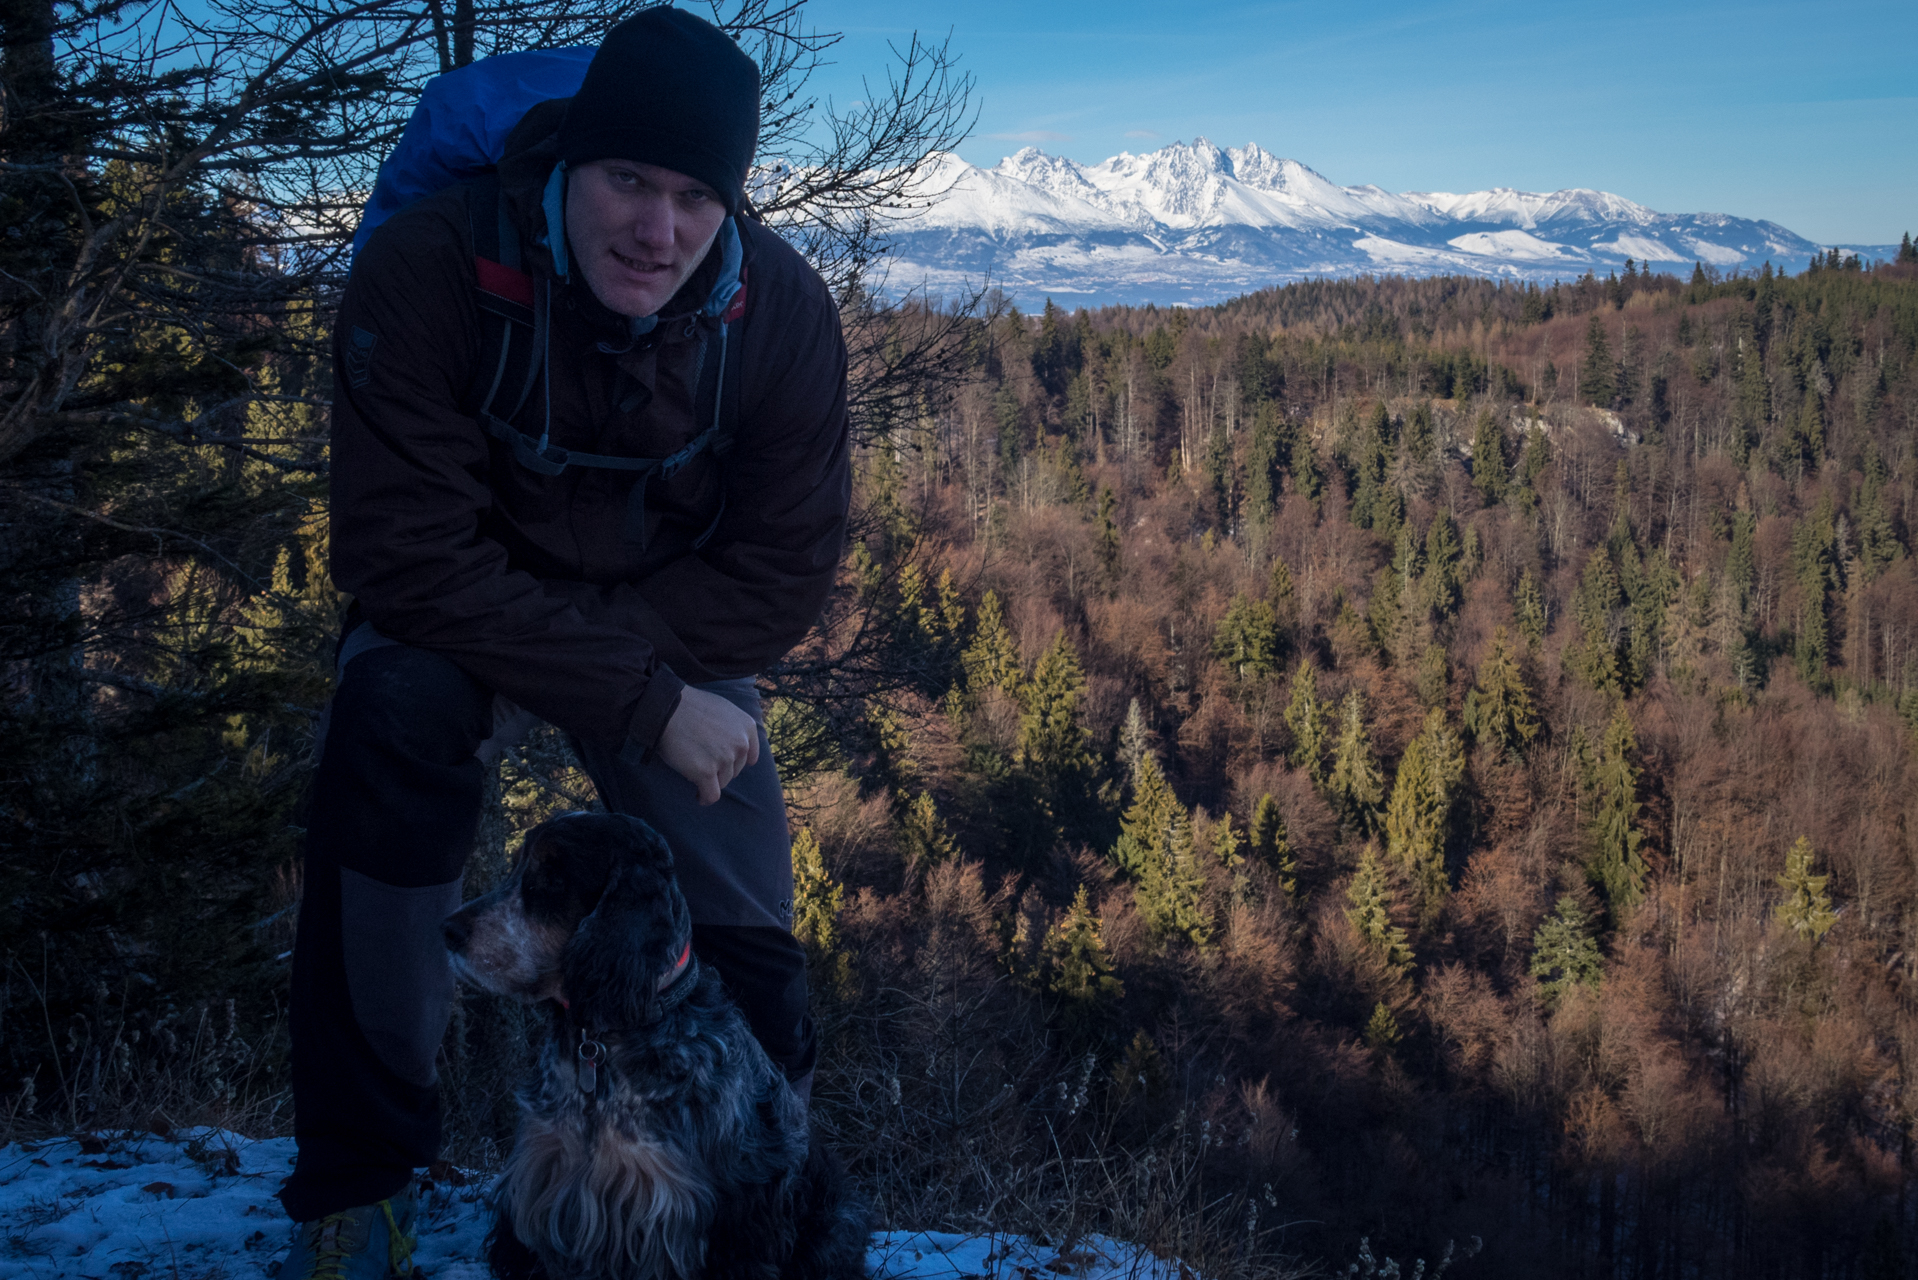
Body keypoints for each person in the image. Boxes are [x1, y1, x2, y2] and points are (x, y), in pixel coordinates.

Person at [278, 10, 850, 1277]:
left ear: (733, 206)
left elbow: (777, 573)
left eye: (696, 194)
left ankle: (762, 1180)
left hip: (665, 622)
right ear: (565, 168)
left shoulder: (783, 318)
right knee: (387, 750)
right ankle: (361, 1187)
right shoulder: (428, 268)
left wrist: (634, 681)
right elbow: (402, 558)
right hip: (452, 613)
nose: (658, 228)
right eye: (628, 179)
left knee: (738, 887)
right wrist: (638, 695)